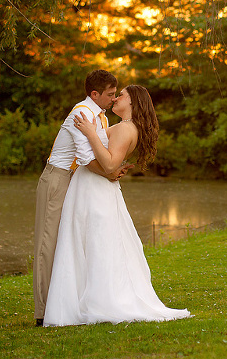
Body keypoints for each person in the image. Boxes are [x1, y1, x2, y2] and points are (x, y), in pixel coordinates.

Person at [42, 85, 191, 326]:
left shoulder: (124, 128)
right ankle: (81, 297)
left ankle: (92, 300)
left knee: (94, 242)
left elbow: (110, 164)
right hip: (93, 187)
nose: (116, 98)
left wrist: (90, 133)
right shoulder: (124, 126)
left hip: (94, 189)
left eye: (121, 95)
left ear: (133, 102)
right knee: (91, 241)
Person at [33, 70, 131, 327]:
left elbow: (100, 154)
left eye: (115, 94)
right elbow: (87, 158)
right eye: (110, 94)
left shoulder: (102, 118)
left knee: (71, 242)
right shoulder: (81, 114)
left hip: (77, 182)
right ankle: (43, 311)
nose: (113, 99)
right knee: (48, 244)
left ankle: (70, 303)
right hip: (58, 179)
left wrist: (114, 168)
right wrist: (110, 173)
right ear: (94, 94)